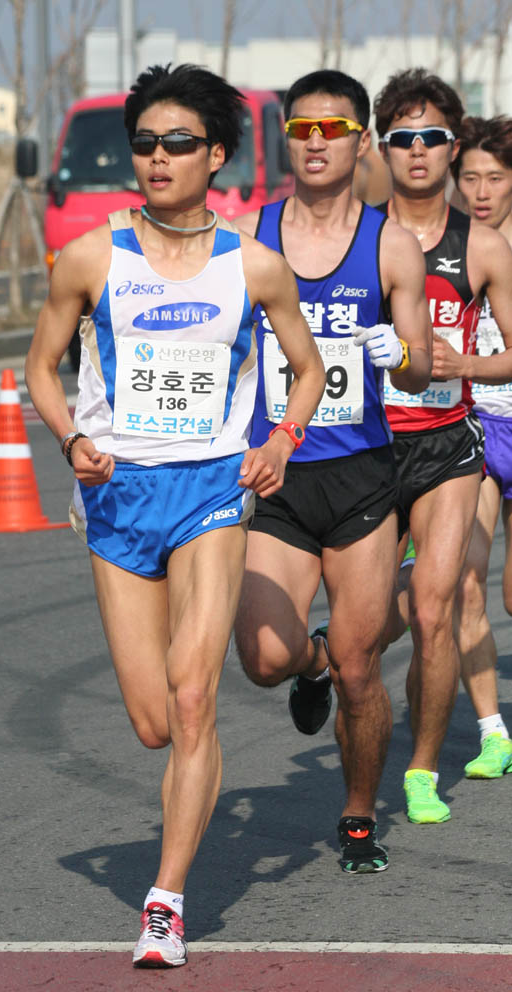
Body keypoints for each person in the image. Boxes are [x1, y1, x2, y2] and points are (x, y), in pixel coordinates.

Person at [24, 63, 325, 968]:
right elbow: (42, 366)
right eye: (144, 144)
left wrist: (280, 441)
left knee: (195, 701)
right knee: (153, 721)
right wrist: (70, 436)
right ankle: (306, 659)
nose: (156, 159)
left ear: (217, 156)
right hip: (118, 498)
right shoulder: (92, 258)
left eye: (177, 144)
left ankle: (165, 901)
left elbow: (305, 370)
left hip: (210, 494)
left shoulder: (255, 265)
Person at [233, 69, 432, 875]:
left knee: (362, 668)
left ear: (360, 142)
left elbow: (420, 372)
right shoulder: (251, 236)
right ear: (287, 139)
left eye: (333, 130)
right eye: (302, 130)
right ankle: (306, 664)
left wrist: (404, 353)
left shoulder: (391, 244)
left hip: (360, 478)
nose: (316, 144)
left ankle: (356, 815)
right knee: (264, 660)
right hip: (280, 477)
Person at [374, 70, 512, 822]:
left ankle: (424, 770)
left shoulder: (482, 246)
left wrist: (468, 364)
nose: (419, 150)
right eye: (404, 138)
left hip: (452, 442)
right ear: (383, 147)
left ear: (450, 145)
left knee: (447, 599)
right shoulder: (359, 238)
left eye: (432, 137)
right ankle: (325, 660)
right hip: (366, 449)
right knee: (376, 623)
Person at [451, 116, 512, 778]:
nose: (481, 190)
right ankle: (494, 732)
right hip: (474, 429)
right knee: (464, 581)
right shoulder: (446, 249)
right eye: (469, 177)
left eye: (495, 177)